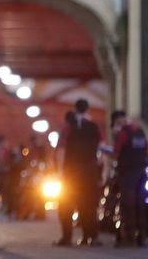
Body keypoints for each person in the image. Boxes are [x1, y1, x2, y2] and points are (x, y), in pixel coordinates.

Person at [55, 99, 104, 247]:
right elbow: (102, 150)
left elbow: (61, 150)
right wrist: (101, 170)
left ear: (75, 109)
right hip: (90, 171)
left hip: (71, 172)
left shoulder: (68, 128)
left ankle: (67, 238)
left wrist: (60, 172)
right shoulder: (94, 127)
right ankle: (91, 237)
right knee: (89, 205)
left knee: (66, 205)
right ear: (88, 109)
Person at [111, 110, 148, 247]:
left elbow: (115, 152)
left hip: (127, 174)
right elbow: (147, 150)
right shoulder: (141, 133)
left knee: (128, 206)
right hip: (141, 173)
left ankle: (129, 238)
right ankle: (142, 237)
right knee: (140, 205)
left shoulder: (123, 134)